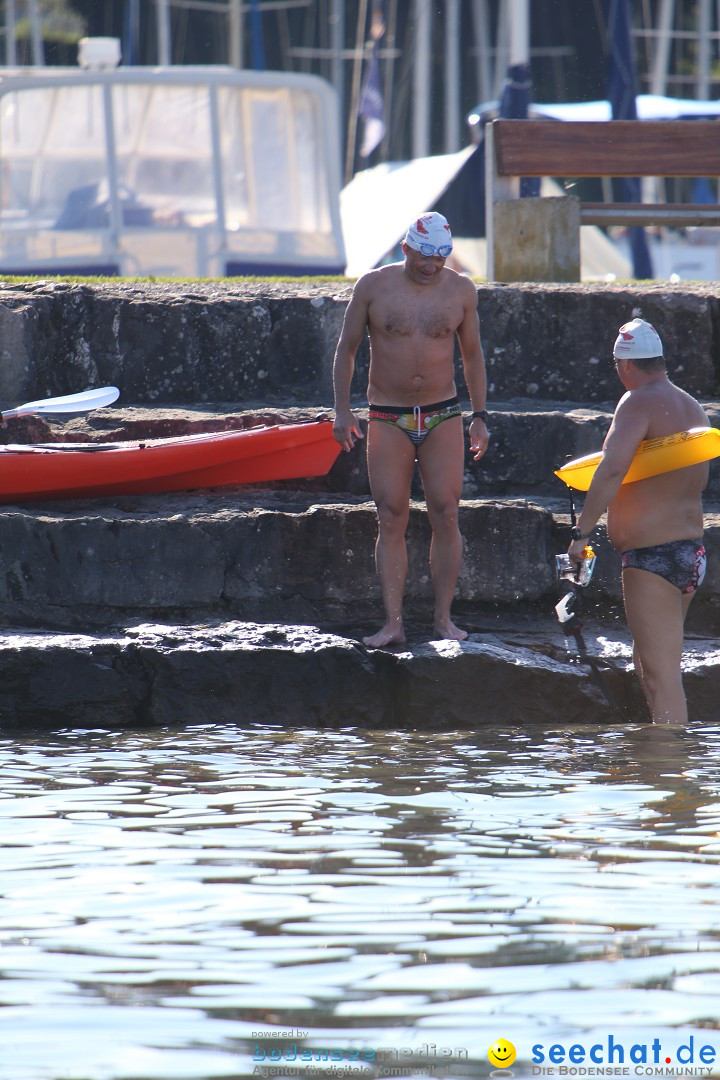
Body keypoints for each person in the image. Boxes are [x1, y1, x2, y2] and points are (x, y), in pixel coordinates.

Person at [332, 211, 489, 648]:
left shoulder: (461, 291)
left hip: (442, 413)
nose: (431, 266)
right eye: (424, 257)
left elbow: (472, 355)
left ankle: (443, 619)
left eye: (440, 258)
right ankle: (393, 623)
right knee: (391, 515)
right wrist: (342, 411)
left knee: (446, 511)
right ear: (406, 248)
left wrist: (480, 416)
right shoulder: (373, 287)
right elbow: (346, 350)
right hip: (388, 414)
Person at [567, 317, 709, 725]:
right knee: (650, 671)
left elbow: (611, 470)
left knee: (663, 678)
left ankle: (671, 774)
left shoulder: (637, 401)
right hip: (690, 554)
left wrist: (581, 533)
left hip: (654, 558)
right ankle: (657, 771)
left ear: (624, 364)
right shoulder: (690, 405)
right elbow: (696, 480)